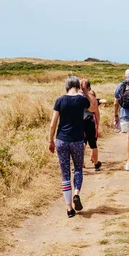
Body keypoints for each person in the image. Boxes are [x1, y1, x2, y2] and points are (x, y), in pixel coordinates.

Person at [48, 76, 90, 218]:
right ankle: (76, 193)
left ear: (66, 86)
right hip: (78, 140)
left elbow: (53, 123)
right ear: (78, 86)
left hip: (61, 140)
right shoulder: (81, 99)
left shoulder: (60, 100)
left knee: (65, 173)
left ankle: (69, 209)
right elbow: (92, 106)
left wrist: (50, 141)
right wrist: (84, 91)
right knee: (78, 169)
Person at [81, 79, 102, 171]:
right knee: (93, 143)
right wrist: (97, 125)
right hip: (90, 121)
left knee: (82, 143)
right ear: (89, 88)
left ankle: (80, 163)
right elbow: (97, 113)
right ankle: (96, 163)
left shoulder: (77, 97)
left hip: (80, 121)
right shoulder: (92, 98)